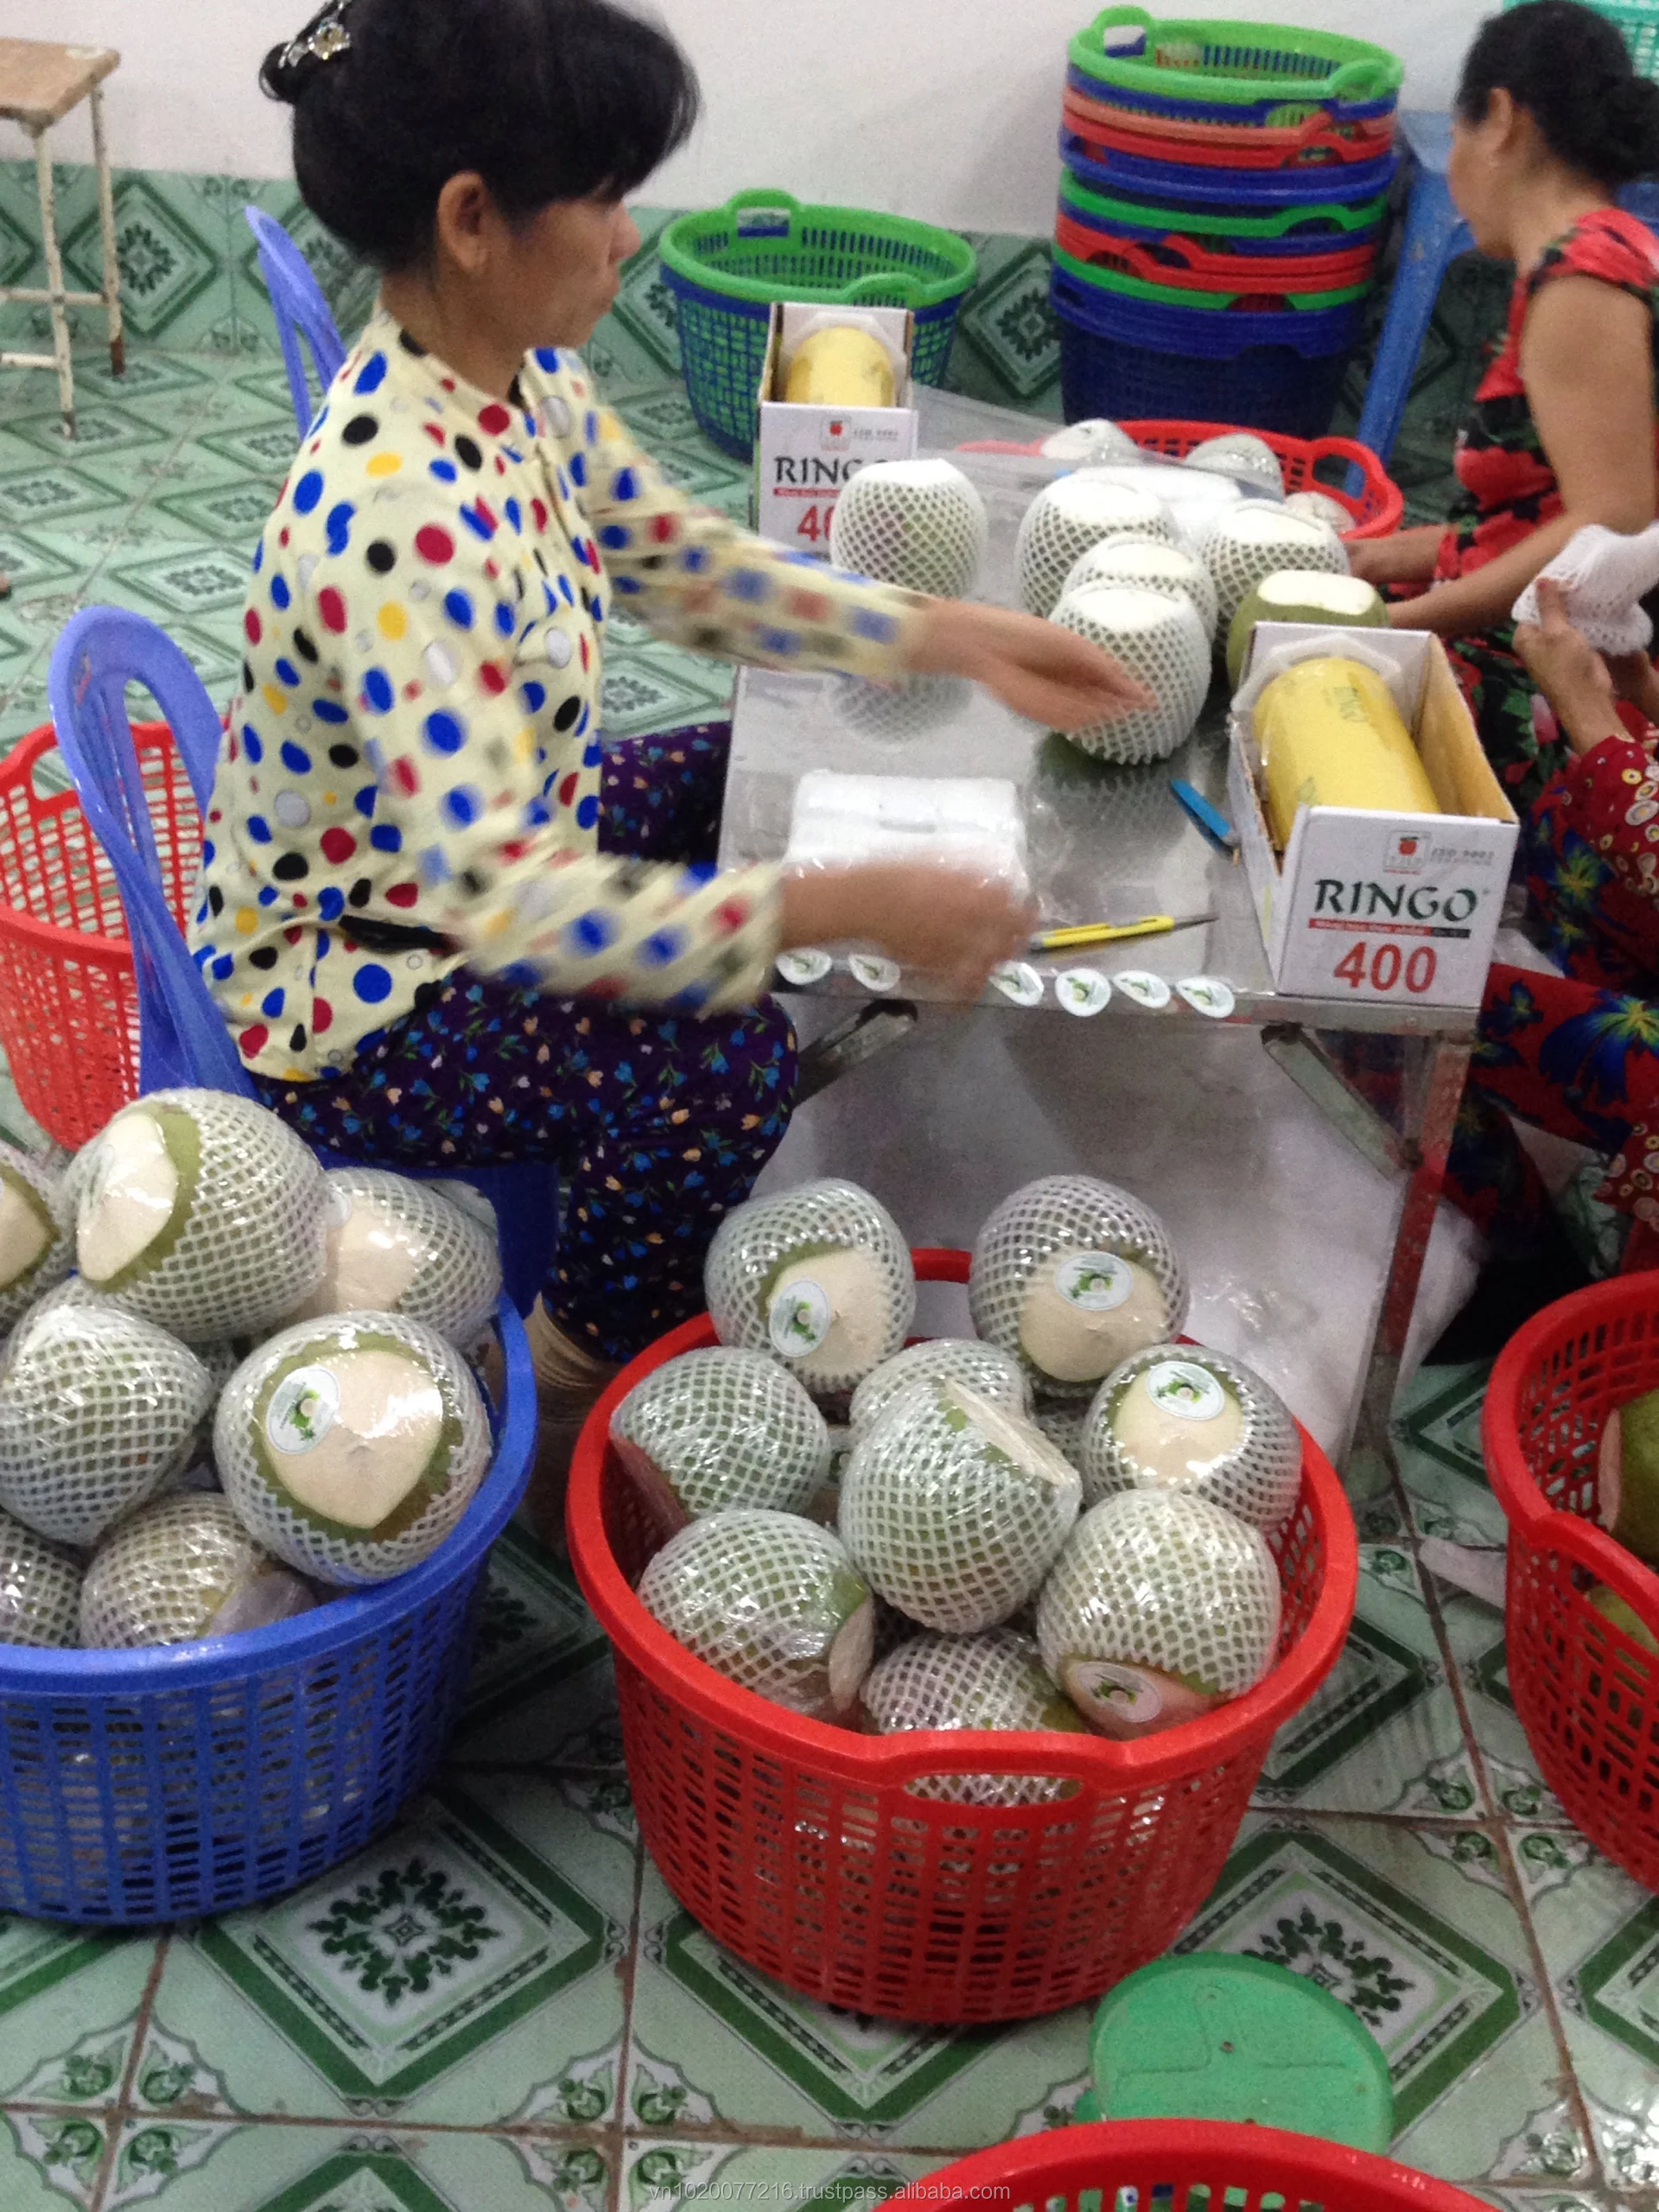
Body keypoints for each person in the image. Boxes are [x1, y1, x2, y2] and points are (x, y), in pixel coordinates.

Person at [194, 0, 1148, 1491]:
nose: (631, 237)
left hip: (465, 866)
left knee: (726, 770)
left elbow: (686, 567)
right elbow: (524, 909)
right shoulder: (392, 521)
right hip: (363, 988)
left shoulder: (520, 382)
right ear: (472, 220)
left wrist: (948, 633)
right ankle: (559, 1390)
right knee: (717, 1067)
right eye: (605, 195)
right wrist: (833, 908)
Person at [1349, 0, 1659, 813]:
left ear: (1500, 120)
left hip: (1544, 709)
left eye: (1454, 136)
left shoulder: (1586, 275)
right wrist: (1382, 560)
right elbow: (1539, 510)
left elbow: (1610, 520)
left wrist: (1401, 620)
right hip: (1515, 669)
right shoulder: (1597, 259)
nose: (1451, 166)